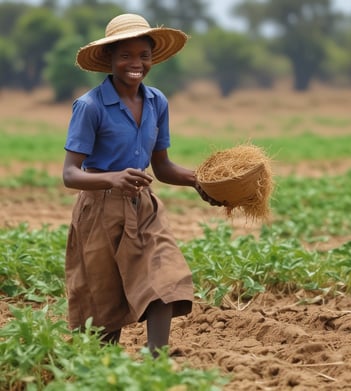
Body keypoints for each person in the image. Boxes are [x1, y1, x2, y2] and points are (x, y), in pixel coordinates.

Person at [62, 13, 221, 356]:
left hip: (143, 207)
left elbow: (161, 166)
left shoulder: (156, 102)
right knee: (103, 305)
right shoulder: (90, 106)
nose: (136, 63)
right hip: (99, 211)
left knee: (166, 276)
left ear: (152, 59)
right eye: (126, 56)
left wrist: (200, 181)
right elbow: (70, 174)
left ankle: (155, 358)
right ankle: (107, 370)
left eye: (143, 56)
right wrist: (113, 178)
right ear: (109, 59)